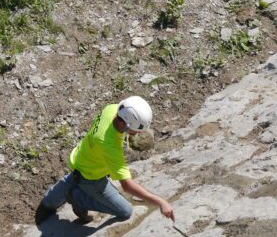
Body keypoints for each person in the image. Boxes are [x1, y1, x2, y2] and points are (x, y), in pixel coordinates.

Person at [36, 96, 175, 225]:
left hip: (82, 156)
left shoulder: (112, 109)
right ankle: (77, 197)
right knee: (125, 211)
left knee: (73, 177)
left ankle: (47, 204)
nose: (137, 134)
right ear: (125, 125)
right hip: (92, 176)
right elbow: (127, 186)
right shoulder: (109, 145)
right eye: (134, 130)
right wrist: (160, 202)